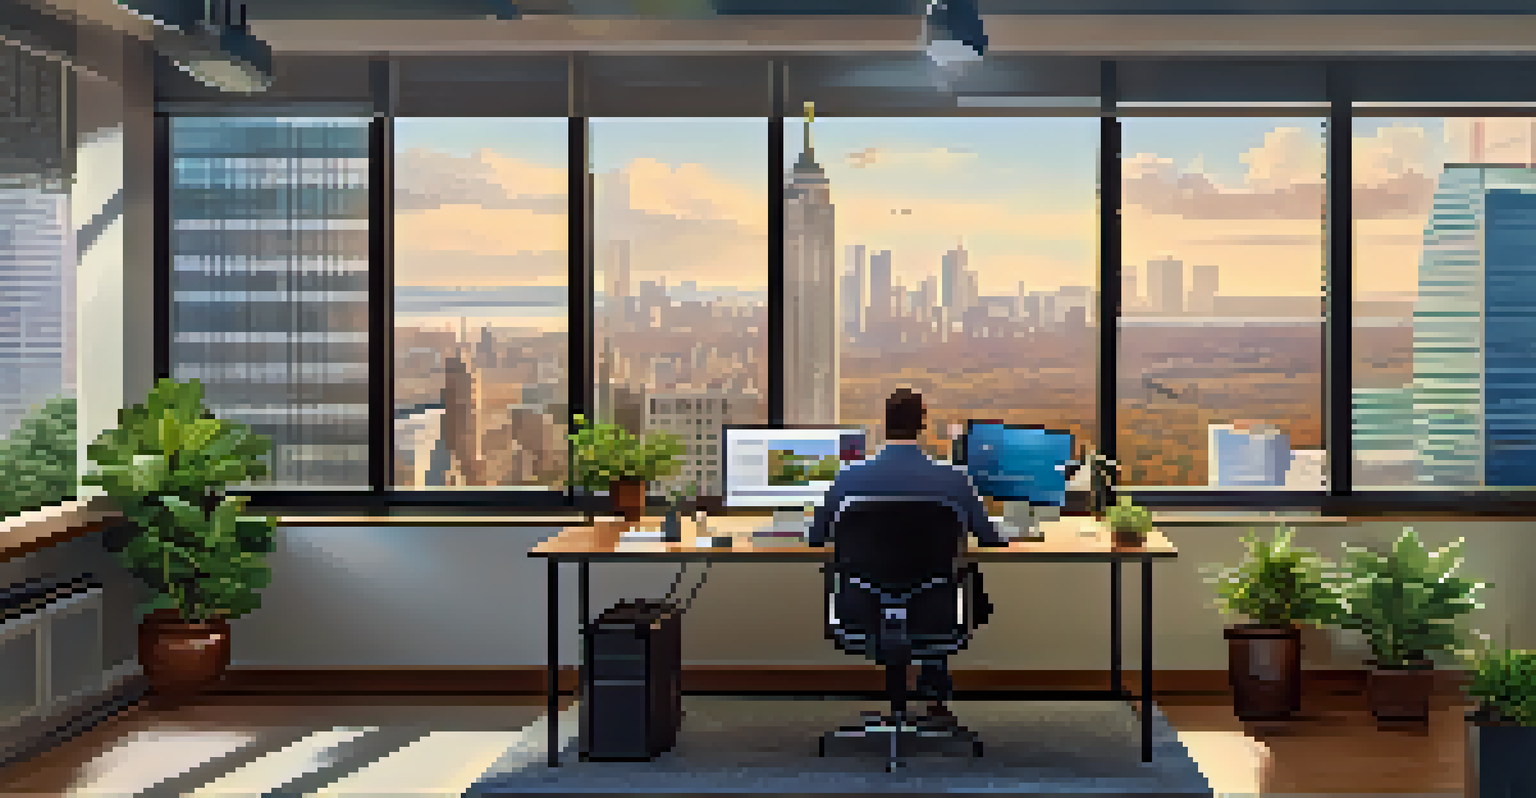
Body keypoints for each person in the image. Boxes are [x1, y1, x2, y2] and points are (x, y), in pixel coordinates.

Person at [807, 387, 1004, 723]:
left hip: (861, 607)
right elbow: (989, 538)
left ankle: (916, 698)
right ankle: (934, 698)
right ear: (922, 423)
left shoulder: (848, 478)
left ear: (885, 424)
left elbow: (816, 538)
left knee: (904, 584)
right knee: (935, 582)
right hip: (936, 610)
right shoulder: (954, 480)